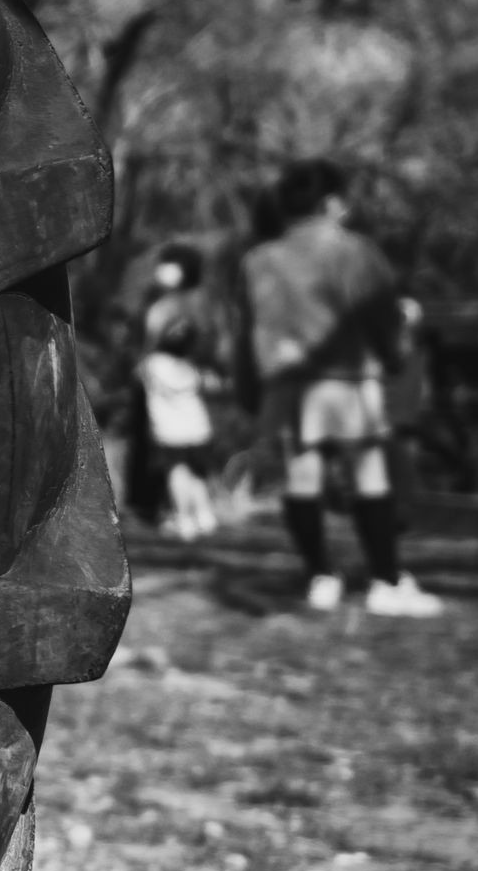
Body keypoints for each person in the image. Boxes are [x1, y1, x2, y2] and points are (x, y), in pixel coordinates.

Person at [238, 159, 439, 615]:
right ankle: (386, 583)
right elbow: (379, 315)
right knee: (369, 475)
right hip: (344, 378)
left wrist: (250, 392)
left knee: (301, 479)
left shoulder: (257, 260)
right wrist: (397, 352)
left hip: (284, 383)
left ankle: (320, 577)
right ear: (331, 202)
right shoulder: (353, 250)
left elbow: (245, 332)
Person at [135, 245, 221, 541]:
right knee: (194, 461)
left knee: (175, 463)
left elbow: (149, 344)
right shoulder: (198, 304)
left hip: (165, 388)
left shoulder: (165, 308)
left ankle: (184, 518)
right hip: (190, 389)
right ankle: (204, 514)